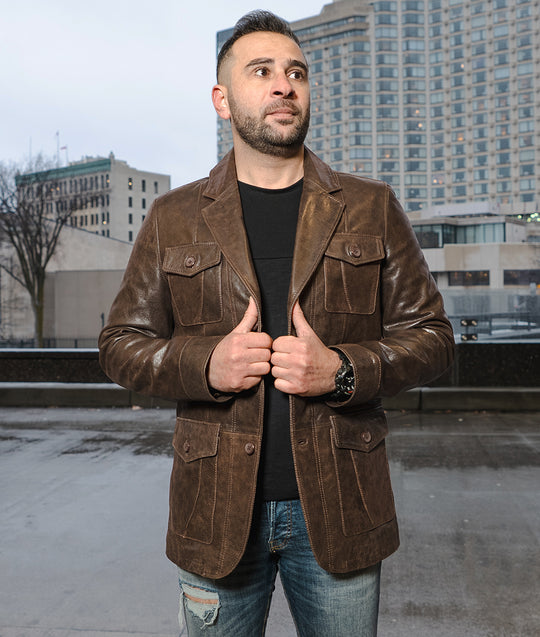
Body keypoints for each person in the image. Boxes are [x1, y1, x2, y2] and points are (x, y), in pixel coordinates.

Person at [99, 10, 454, 636]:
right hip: (215, 513)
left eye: (296, 72)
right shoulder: (173, 216)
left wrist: (342, 371)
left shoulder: (370, 207)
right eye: (261, 71)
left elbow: (432, 337)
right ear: (222, 100)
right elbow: (120, 345)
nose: (284, 85)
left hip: (341, 507)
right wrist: (206, 364)